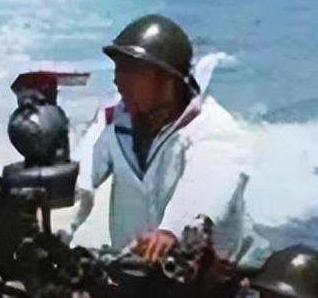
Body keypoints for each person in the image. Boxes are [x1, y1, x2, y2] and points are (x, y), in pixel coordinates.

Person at [69, 14, 265, 265]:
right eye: (118, 67)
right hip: (129, 271)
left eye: (131, 70)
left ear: (167, 79)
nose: (117, 79)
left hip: (207, 277)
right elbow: (79, 183)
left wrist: (172, 230)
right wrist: (54, 231)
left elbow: (208, 181)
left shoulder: (212, 126)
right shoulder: (112, 119)